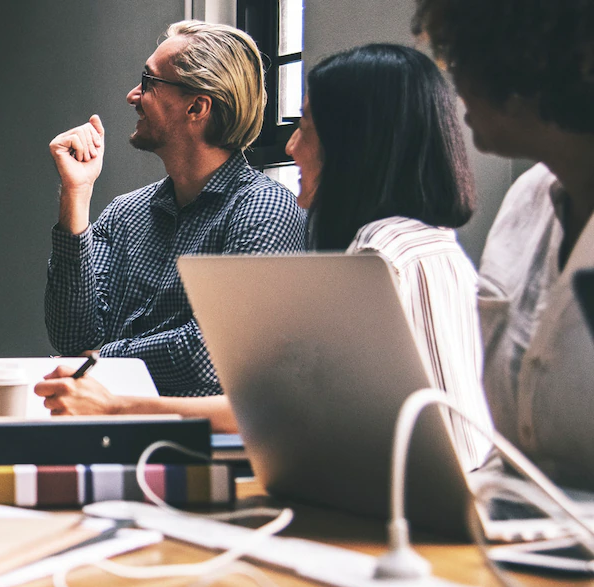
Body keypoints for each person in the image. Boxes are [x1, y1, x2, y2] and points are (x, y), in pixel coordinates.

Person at [38, 43, 493, 471]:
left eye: (306, 127)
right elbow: (72, 334)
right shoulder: (419, 246)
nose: (291, 147)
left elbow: (275, 400)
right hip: (431, 497)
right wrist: (76, 197)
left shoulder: (379, 257)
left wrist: (107, 381)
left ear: (354, 145)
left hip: (427, 511)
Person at [43, 20, 307, 399]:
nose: (133, 95)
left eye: (148, 82)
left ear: (197, 107)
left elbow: (210, 356)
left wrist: (101, 359)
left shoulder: (265, 209)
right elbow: (72, 337)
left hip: (195, 448)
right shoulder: (124, 213)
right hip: (106, 431)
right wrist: (76, 193)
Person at [414, 0, 594, 490]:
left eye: (462, 59)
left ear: (522, 63)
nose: (454, 82)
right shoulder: (524, 203)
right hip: (513, 535)